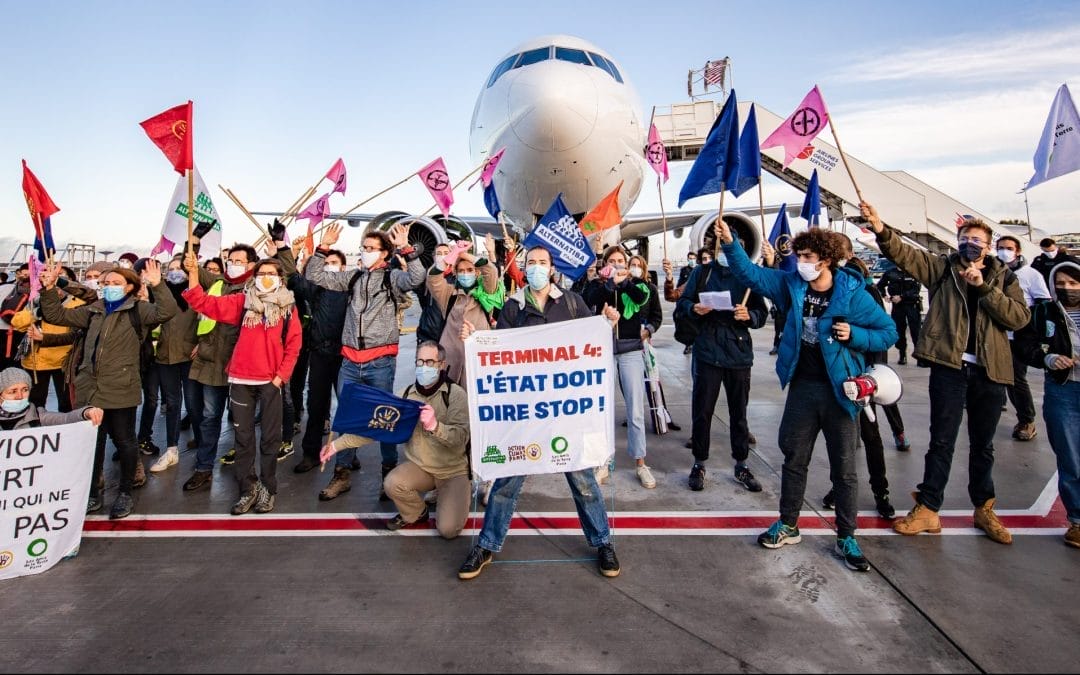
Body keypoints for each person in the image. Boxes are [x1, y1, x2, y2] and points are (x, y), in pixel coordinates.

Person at [717, 219, 897, 572]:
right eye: (799, 255)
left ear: (826, 259)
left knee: (844, 468)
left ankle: (846, 535)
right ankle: (788, 523)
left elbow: (887, 332)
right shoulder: (792, 285)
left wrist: (856, 335)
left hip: (840, 390)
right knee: (794, 458)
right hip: (803, 387)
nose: (801, 261)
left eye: (808, 256)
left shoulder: (852, 294)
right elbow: (752, 275)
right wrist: (730, 243)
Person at [861, 202, 1030, 545]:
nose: (971, 242)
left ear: (988, 243)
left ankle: (984, 508)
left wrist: (983, 287)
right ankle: (928, 508)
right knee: (941, 441)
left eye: (977, 238)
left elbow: (1018, 318)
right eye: (965, 237)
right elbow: (906, 255)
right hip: (950, 367)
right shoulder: (942, 269)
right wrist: (881, 229)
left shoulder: (1005, 277)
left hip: (990, 370)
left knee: (983, 445)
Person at [456, 245, 621, 580]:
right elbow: (498, 352)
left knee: (583, 479)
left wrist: (610, 324)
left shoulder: (572, 302)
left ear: (552, 268)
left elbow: (594, 345)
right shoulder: (514, 306)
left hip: (564, 412)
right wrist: (475, 340)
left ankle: (603, 541)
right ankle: (487, 544)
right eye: (531, 263)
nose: (536, 268)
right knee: (506, 481)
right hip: (526, 414)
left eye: (542, 263)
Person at [39, 259, 178, 519]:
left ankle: (125, 492)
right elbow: (56, 315)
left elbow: (166, 312)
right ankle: (91, 492)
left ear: (129, 287)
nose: (108, 287)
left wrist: (158, 285)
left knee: (125, 441)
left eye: (115, 283)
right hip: (90, 387)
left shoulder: (139, 310)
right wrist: (47, 290)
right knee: (92, 442)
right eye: (105, 283)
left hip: (120, 387)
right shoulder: (93, 310)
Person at [306, 222, 426, 502]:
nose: (365, 252)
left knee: (385, 418)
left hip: (379, 362)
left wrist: (407, 249)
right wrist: (323, 247)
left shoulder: (393, 278)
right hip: (349, 362)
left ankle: (388, 471)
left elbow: (416, 278)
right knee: (346, 419)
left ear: (384, 253)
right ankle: (342, 472)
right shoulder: (352, 278)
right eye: (364, 247)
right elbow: (314, 275)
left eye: (371, 248)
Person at [181, 252, 302, 515]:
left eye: (271, 274)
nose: (266, 279)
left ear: (281, 279)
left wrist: (281, 377)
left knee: (270, 439)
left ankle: (268, 488)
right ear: (254, 277)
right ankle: (248, 489)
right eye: (261, 274)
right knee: (243, 439)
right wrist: (193, 273)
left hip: (271, 381)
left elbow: (294, 345)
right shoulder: (242, 302)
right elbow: (205, 303)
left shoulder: (288, 307)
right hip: (241, 378)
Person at [320, 341, 471, 538]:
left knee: (448, 530)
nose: (424, 367)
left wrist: (435, 426)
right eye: (420, 362)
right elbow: (374, 427)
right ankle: (417, 512)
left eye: (430, 362)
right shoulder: (406, 396)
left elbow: (461, 439)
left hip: (452, 471)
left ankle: (449, 496)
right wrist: (335, 446)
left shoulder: (456, 395)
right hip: (422, 467)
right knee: (392, 483)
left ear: (441, 365)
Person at [676, 230, 768, 494]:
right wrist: (694, 308)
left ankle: (741, 464)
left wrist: (748, 315)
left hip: (738, 352)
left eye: (732, 247)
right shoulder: (701, 273)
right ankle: (699, 463)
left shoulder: (747, 275)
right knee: (702, 411)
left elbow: (762, 313)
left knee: (739, 413)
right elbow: (683, 302)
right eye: (722, 247)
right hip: (707, 350)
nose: (726, 252)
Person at [824, 250, 900, 519]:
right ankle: (845, 490)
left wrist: (871, 376)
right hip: (842, 376)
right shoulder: (832, 291)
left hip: (862, 378)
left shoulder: (864, 293)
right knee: (845, 440)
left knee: (868, 435)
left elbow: (884, 333)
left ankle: (881, 493)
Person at [181, 242, 257, 492]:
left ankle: (246, 472)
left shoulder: (257, 287)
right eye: (231, 261)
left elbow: (286, 272)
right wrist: (192, 245)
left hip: (240, 367)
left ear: (251, 265)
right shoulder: (218, 283)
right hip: (211, 361)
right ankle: (204, 468)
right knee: (209, 417)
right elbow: (192, 268)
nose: (233, 265)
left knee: (242, 422)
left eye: (239, 261)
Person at [1015, 261, 1080, 548]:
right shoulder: (1042, 313)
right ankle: (1077, 520)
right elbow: (1025, 345)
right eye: (1061, 283)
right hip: (1063, 390)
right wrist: (1048, 359)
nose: (1067, 288)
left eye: (1073, 282)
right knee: (1070, 458)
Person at [583, 245, 655, 488]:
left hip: (631, 350)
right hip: (603, 352)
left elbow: (641, 298)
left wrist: (622, 283)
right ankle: (603, 461)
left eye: (620, 261)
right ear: (605, 263)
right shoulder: (598, 284)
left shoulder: (636, 284)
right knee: (602, 409)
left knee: (635, 410)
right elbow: (588, 301)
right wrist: (609, 284)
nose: (616, 265)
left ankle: (641, 463)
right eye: (611, 261)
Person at [275, 239, 349, 474]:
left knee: (347, 407)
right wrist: (283, 248)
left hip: (345, 356)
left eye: (335, 263)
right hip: (319, 353)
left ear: (343, 268)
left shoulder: (351, 289)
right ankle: (310, 453)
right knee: (316, 405)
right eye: (326, 263)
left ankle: (348, 454)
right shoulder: (315, 289)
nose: (329, 266)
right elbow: (294, 277)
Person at [995, 235, 1051, 442]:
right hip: (995, 334)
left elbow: (1043, 302)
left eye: (1009, 248)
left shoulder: (1030, 274)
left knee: (1015, 379)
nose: (1004, 252)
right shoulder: (993, 271)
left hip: (1019, 335)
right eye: (1000, 248)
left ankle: (1027, 420)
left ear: (1018, 251)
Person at [147, 255, 200, 473]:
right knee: (172, 404)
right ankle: (171, 449)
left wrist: (201, 344)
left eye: (180, 268)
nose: (175, 272)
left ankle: (202, 443)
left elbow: (208, 321)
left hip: (189, 357)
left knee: (193, 402)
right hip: (165, 356)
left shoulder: (196, 294)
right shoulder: (158, 294)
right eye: (172, 268)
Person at [426, 234, 501, 385]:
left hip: (478, 357)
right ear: (455, 273)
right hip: (450, 359)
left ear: (476, 272)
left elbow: (491, 271)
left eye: (469, 270)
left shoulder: (487, 293)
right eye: (461, 271)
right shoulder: (448, 294)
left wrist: (464, 254)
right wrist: (452, 256)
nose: (465, 274)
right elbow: (433, 278)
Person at [9, 266, 84, 412]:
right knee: (35, 403)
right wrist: (37, 312)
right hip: (36, 361)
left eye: (59, 277)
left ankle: (66, 432)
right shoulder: (37, 300)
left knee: (67, 403)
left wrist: (43, 337)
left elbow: (76, 335)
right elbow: (17, 323)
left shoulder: (78, 304)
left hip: (64, 362)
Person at [0, 366, 104, 430]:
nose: (20, 396)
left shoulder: (37, 415)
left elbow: (66, 418)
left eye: (25, 390)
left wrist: (86, 412)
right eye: (13, 391)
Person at [876, 258, 923, 365]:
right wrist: (884, 296)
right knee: (899, 331)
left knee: (916, 331)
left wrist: (902, 296)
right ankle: (902, 355)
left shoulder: (912, 272)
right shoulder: (890, 273)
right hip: (898, 307)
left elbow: (916, 289)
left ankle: (920, 357)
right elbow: (880, 285)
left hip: (912, 305)